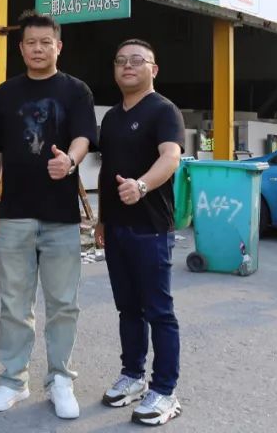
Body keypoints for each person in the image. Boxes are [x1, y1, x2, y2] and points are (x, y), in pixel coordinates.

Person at [0, 10, 97, 420]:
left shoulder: (76, 91)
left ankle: (60, 379)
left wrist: (71, 160)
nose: (38, 49)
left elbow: (84, 137)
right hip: (14, 213)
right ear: (21, 47)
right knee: (14, 303)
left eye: (46, 42)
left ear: (58, 46)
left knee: (63, 303)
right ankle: (14, 380)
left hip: (61, 216)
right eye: (30, 42)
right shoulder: (6, 94)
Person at [95, 39, 184, 426]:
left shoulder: (164, 111)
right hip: (116, 228)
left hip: (151, 228)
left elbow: (171, 156)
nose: (127, 66)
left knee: (158, 311)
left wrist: (142, 185)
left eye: (137, 60)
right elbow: (106, 170)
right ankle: (133, 375)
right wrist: (102, 218)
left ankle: (165, 391)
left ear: (153, 69)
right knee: (128, 308)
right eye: (121, 61)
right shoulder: (112, 117)